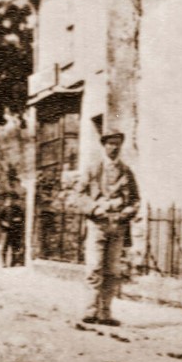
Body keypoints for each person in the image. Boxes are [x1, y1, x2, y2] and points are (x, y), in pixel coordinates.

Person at [77, 130, 140, 327]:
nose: (114, 147)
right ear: (104, 145)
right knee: (94, 267)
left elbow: (135, 200)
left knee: (112, 270)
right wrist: (94, 209)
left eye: (117, 143)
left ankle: (105, 313)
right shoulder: (93, 169)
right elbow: (79, 194)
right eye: (111, 143)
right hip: (98, 224)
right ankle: (90, 311)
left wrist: (126, 212)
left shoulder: (126, 171)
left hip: (118, 226)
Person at [0, 192, 26, 268]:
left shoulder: (18, 209)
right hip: (6, 231)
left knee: (14, 247)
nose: (10, 201)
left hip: (15, 231)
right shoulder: (5, 209)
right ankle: (4, 262)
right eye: (9, 199)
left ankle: (13, 262)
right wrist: (3, 223)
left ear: (15, 200)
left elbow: (22, 219)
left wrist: (16, 220)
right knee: (5, 247)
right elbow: (0, 219)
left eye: (13, 199)